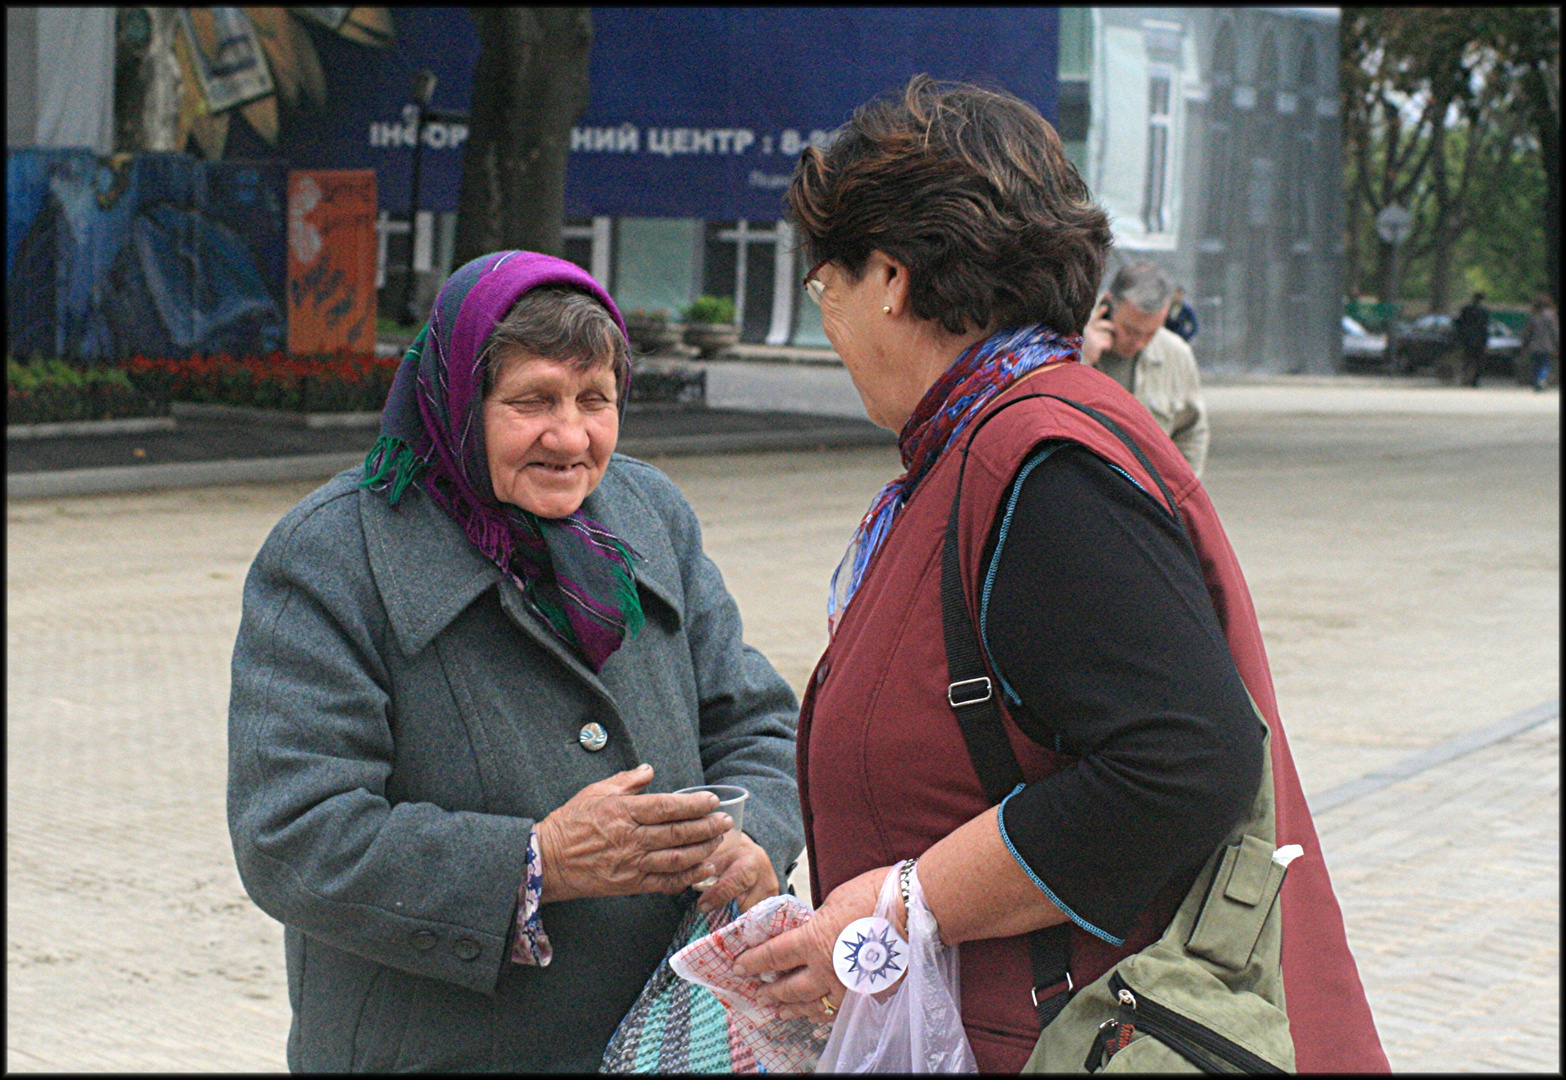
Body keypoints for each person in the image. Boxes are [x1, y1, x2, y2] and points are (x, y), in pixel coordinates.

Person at [728, 76, 1387, 1073]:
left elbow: (1181, 760)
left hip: (1058, 1036)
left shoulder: (1033, 459)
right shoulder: (989, 441)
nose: (827, 320)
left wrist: (903, 904)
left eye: (828, 284)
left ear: (894, 280)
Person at [227, 251, 803, 1072]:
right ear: (458, 400)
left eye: (595, 400)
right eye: (531, 401)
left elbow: (757, 721)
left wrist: (757, 840)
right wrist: (537, 864)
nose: (571, 437)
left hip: (665, 1043)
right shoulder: (331, 555)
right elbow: (291, 834)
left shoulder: (649, 513)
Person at [1080, 263, 1210, 477]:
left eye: (1150, 333)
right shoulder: (1066, 342)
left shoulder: (1176, 354)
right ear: (1109, 304)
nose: (1138, 342)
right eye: (1130, 330)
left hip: (1148, 501)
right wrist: (1081, 358)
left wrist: (1179, 497)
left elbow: (1191, 431)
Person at [1520, 292, 1558, 392]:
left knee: (1535, 363)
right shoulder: (1551, 315)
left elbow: (1527, 332)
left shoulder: (1533, 315)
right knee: (1545, 363)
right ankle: (1541, 379)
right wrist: (1557, 345)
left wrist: (1524, 344)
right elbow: (1554, 331)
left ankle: (1536, 380)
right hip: (1547, 345)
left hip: (1534, 345)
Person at [1453, 291, 1490, 387]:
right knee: (1477, 362)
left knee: (1467, 360)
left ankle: (1465, 378)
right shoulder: (1484, 311)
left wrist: (1459, 338)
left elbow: (1459, 324)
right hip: (1479, 340)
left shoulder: (1466, 309)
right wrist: (1485, 341)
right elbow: (1485, 327)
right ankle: (1474, 381)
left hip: (1467, 339)